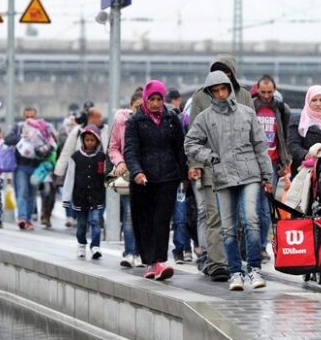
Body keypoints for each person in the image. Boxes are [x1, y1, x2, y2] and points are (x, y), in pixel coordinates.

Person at [185, 71, 274, 291]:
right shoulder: (205, 117)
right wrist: (209, 157)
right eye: (215, 90)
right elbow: (190, 143)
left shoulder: (246, 113)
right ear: (210, 92)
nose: (220, 93)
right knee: (228, 228)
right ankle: (235, 272)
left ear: (230, 89)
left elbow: (260, 145)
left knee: (251, 220)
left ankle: (253, 269)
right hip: (223, 177)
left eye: (223, 89)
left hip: (249, 173)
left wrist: (267, 176)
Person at [188, 55, 251, 282]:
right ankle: (217, 263)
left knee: (239, 218)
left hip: (241, 168)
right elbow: (194, 134)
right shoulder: (200, 97)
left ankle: (234, 260)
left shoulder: (244, 96)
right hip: (211, 167)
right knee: (214, 216)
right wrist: (195, 164)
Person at [124, 80, 187, 281]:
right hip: (143, 180)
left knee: (161, 220)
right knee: (144, 221)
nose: (155, 103)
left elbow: (180, 147)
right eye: (152, 99)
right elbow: (130, 150)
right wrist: (137, 172)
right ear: (145, 99)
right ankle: (150, 261)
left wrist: (185, 173)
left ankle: (159, 260)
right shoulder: (135, 121)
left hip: (168, 177)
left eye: (159, 99)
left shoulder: (171, 118)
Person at [253, 75, 291, 259]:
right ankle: (250, 245)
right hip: (252, 163)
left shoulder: (282, 109)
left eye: (270, 92)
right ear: (257, 90)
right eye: (263, 92)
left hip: (272, 163)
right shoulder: (251, 107)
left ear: (275, 90)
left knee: (265, 207)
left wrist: (285, 163)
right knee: (251, 207)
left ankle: (260, 245)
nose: (267, 96)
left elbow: (284, 138)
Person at [108, 87, 144, 268]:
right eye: (136, 106)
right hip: (128, 173)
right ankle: (130, 252)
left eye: (142, 106)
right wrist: (120, 162)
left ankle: (141, 253)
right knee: (130, 214)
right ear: (130, 106)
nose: (138, 110)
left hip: (148, 173)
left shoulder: (151, 122)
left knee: (145, 216)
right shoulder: (121, 122)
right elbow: (113, 147)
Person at [6, 107, 57, 230]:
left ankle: (28, 219)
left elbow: (52, 143)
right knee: (22, 192)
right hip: (21, 165)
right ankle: (22, 218)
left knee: (32, 194)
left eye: (32, 117)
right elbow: (8, 139)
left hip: (36, 166)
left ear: (36, 116)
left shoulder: (42, 128)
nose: (29, 119)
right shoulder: (19, 128)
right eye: (27, 116)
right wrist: (22, 139)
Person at [63, 125, 106, 259]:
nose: (89, 143)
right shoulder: (75, 157)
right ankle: (81, 244)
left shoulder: (102, 157)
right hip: (80, 197)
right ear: (83, 140)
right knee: (81, 225)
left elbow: (106, 176)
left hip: (97, 196)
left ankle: (95, 246)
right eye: (87, 140)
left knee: (95, 221)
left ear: (97, 141)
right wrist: (66, 198)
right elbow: (69, 177)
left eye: (92, 140)